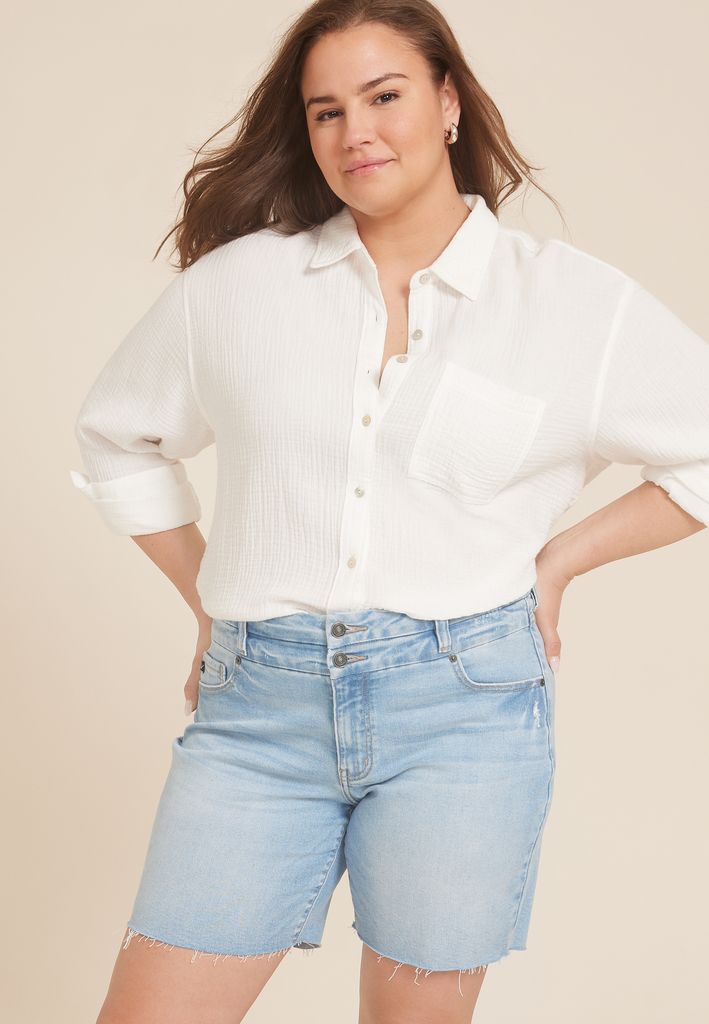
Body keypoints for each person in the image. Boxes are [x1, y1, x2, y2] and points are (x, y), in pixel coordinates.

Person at [69, 1, 709, 1021]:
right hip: (258, 715)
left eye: (383, 96)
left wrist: (559, 561)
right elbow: (115, 434)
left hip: (465, 714)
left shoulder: (568, 306)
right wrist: (207, 597)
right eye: (326, 111)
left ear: (448, 103)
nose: (354, 131)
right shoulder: (238, 289)